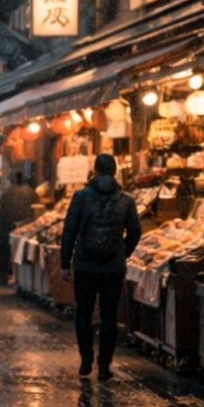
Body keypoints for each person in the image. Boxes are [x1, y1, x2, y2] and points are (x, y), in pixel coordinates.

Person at [60, 153, 141, 380]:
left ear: (95, 170)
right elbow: (135, 230)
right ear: (115, 171)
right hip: (113, 268)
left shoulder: (81, 196)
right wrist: (123, 251)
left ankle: (86, 359)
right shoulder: (126, 200)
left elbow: (70, 230)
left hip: (85, 265)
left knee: (83, 314)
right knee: (109, 317)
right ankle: (104, 366)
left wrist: (65, 262)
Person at [0, 172, 39, 280]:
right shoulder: (30, 192)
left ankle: (4, 272)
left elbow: (1, 208)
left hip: (6, 225)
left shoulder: (7, 192)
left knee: (5, 250)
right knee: (18, 251)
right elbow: (36, 208)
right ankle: (17, 274)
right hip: (26, 225)